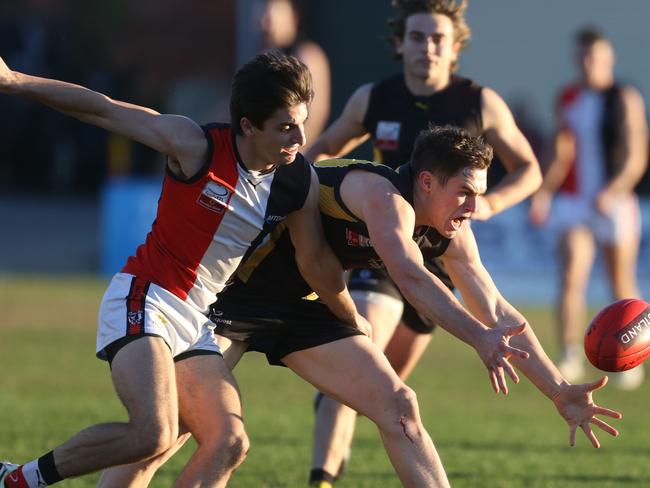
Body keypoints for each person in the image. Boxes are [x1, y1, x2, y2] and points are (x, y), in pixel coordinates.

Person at [83, 125, 566, 488]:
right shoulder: (381, 196)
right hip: (231, 297)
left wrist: (559, 391)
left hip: (308, 307)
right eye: (465, 192)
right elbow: (413, 279)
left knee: (399, 405)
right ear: (425, 183)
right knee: (176, 429)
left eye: (478, 195)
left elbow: (498, 311)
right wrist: (477, 338)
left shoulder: (452, 231)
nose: (473, 207)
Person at [0, 51, 370, 488]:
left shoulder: (298, 182)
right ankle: (19, 479)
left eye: (303, 123)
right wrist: (13, 80)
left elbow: (316, 263)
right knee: (152, 434)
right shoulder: (195, 145)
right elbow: (101, 108)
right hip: (145, 297)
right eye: (286, 126)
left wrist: (352, 321)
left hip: (196, 322)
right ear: (248, 125)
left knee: (229, 441)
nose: (301, 137)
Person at [305, 0, 542, 483]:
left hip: (444, 257)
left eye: (438, 39)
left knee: (382, 388)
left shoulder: (480, 102)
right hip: (386, 248)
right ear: (399, 43)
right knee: (360, 353)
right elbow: (325, 148)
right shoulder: (374, 98)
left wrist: (490, 204)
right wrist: (286, 183)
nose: (427, 47)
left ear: (454, 48)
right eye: (417, 37)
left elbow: (531, 169)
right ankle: (321, 479)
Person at [529, 27, 648, 389]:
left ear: (608, 60)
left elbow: (636, 154)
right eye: (583, 56)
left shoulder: (623, 98)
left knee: (620, 282)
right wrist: (543, 191)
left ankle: (631, 357)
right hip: (574, 201)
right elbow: (559, 152)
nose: (588, 63)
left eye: (595, 57)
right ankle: (569, 351)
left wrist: (613, 190)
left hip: (613, 201)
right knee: (570, 274)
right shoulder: (568, 97)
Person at [260, 0, 331, 150]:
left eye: (272, 16)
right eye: (264, 16)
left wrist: (296, 154)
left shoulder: (308, 56)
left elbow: (316, 115)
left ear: (293, 17)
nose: (265, 24)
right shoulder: (263, 57)